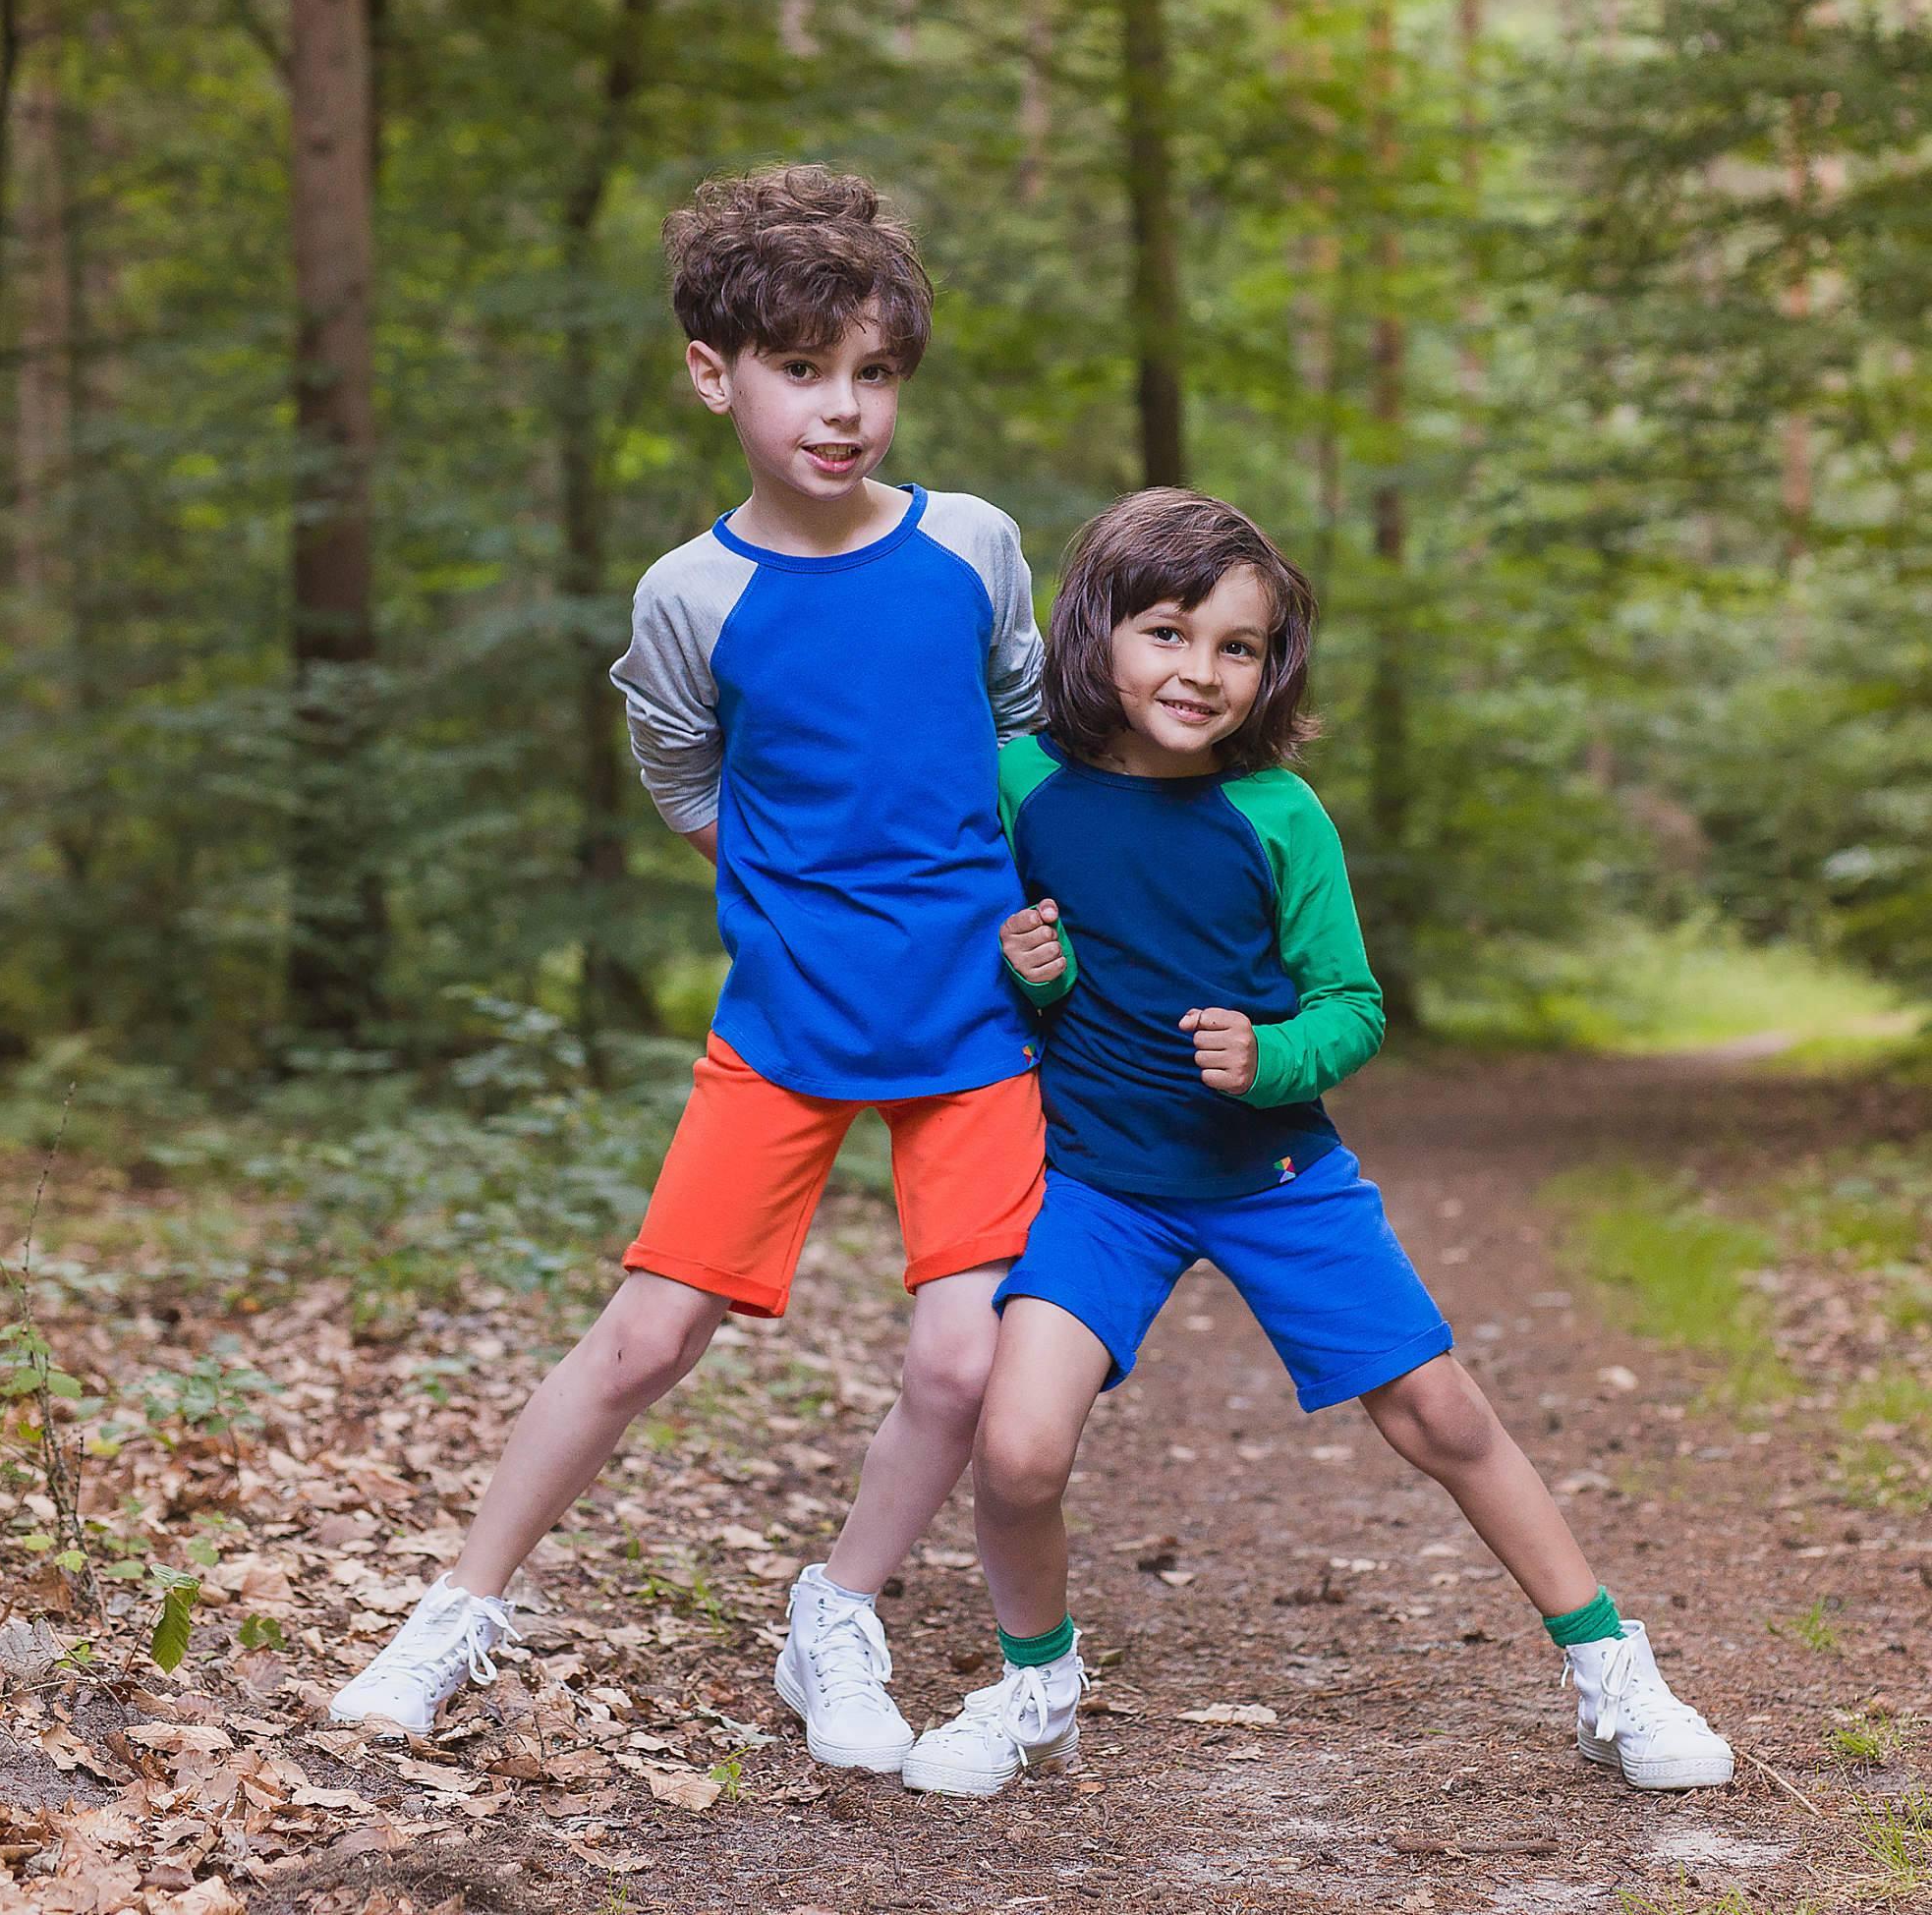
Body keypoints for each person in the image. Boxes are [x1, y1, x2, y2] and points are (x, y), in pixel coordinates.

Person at [331, 165, 1050, 1774]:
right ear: (713, 374)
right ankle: (453, 1608)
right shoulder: (690, 595)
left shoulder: (977, 545)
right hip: (789, 1018)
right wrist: (792, 886)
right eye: (803, 369)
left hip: (979, 1018)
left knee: (962, 1354)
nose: (845, 408)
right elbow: (680, 772)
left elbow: (1018, 726)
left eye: (874, 372)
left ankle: (839, 1612)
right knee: (650, 1336)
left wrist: (1022, 900)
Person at [898, 487, 1733, 1800]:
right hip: (1098, 1182)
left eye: (1239, 647)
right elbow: (983, 981)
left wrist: (1273, 1055)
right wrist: (1032, 974)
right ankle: (1033, 1684)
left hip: (1274, 1177)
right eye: (1169, 632)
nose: (1202, 671)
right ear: (1096, 631)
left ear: (1271, 667)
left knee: (1441, 1411)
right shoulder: (1021, 785)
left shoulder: (1279, 813)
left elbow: (1351, 1003)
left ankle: (1612, 1670)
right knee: (1015, 1448)